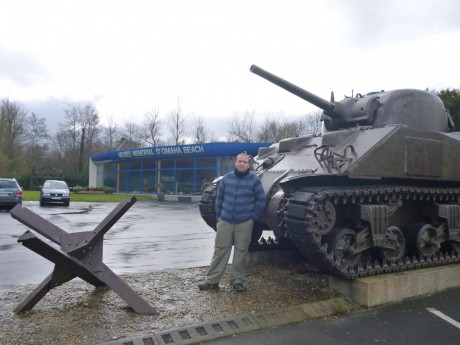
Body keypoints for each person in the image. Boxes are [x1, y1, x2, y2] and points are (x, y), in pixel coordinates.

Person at [198, 152, 266, 292]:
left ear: (249, 165)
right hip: (225, 220)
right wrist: (219, 217)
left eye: (245, 162)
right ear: (235, 163)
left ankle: (237, 280)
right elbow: (219, 199)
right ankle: (212, 280)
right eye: (239, 161)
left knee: (241, 252)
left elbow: (261, 201)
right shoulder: (227, 179)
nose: (242, 163)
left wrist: (252, 217)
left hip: (244, 222)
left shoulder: (254, 181)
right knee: (220, 250)